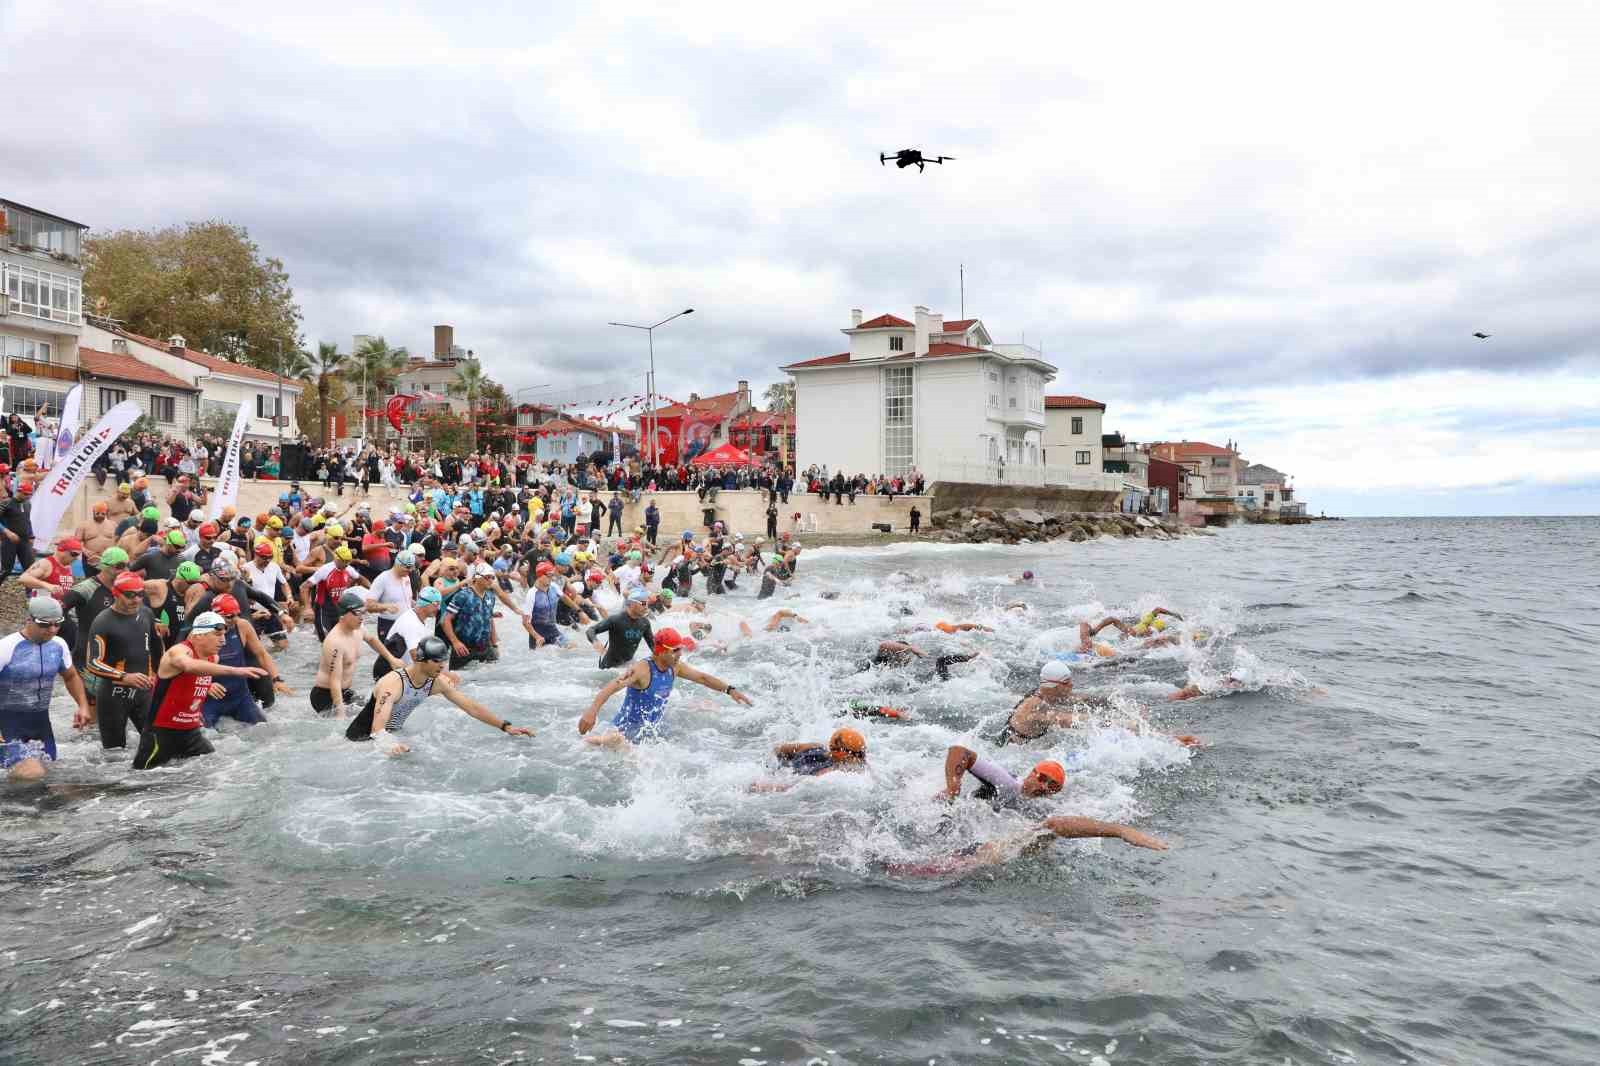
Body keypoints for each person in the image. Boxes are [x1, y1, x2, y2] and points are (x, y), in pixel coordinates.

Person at [344, 636, 536, 749]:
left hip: (390, 738)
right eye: (437, 661)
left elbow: (471, 707)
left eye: (444, 660)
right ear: (421, 660)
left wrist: (505, 726)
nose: (442, 665)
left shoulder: (435, 682)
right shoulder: (392, 684)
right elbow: (378, 730)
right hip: (359, 742)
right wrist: (390, 746)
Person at [132, 612, 268, 770]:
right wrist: (236, 671)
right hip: (161, 735)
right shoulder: (179, 651)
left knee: (219, 772)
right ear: (199, 635)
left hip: (191, 734)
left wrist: (207, 687)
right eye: (217, 634)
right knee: (141, 782)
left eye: (224, 635)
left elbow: (188, 679)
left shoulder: (213, 658)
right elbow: (188, 666)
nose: (223, 640)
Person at [577, 627, 752, 748]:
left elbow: (702, 678)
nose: (679, 654)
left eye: (680, 649)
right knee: (624, 747)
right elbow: (611, 687)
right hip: (624, 732)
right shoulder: (641, 669)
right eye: (675, 650)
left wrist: (730, 690)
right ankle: (594, 741)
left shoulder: (675, 667)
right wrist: (592, 711)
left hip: (651, 730)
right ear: (660, 650)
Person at [887, 816, 1169, 877]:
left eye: (1049, 783)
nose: (1042, 784)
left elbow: (1054, 826)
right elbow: (1054, 825)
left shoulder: (1026, 842)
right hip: (968, 859)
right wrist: (1120, 831)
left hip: (972, 859)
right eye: (1041, 776)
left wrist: (1120, 831)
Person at [0, 598, 90, 782]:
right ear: (29, 620)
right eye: (45, 625)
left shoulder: (58, 645)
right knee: (32, 773)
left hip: (40, 725)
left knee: (48, 777)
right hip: (7, 724)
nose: (52, 629)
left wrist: (83, 706)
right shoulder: (6, 647)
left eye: (57, 624)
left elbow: (71, 676)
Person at [84, 571, 162, 749]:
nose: (136, 600)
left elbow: (157, 649)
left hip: (144, 692)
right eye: (129, 595)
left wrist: (159, 676)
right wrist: (124, 676)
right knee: (114, 754)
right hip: (113, 696)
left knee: (158, 745)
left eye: (140, 594)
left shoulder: (146, 614)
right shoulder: (103, 621)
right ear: (115, 593)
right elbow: (93, 662)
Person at [200, 595, 290, 726]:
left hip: (240, 697)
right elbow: (189, 666)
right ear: (216, 616)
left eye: (238, 614)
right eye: (230, 616)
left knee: (266, 730)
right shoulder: (201, 632)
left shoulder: (242, 626)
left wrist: (276, 679)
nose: (235, 619)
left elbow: (262, 654)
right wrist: (205, 686)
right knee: (206, 737)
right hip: (212, 699)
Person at [310, 591, 402, 717]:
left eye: (363, 612)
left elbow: (372, 640)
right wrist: (340, 710)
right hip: (325, 695)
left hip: (345, 691)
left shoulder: (358, 630)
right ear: (343, 615)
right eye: (357, 613)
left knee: (377, 710)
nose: (361, 617)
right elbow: (334, 680)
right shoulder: (335, 642)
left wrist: (391, 659)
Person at [439, 563, 521, 670]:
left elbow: (489, 620)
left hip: (485, 648)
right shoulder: (463, 595)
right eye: (487, 577)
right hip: (464, 649)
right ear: (477, 577)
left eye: (492, 577)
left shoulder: (490, 596)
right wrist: (455, 642)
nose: (490, 580)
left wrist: (495, 644)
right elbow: (445, 620)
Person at [938, 744, 1068, 809]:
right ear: (1031, 774)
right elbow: (959, 751)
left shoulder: (1041, 809)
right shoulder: (1007, 783)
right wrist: (952, 786)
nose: (1044, 786)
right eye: (1043, 778)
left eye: (1052, 786)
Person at [750, 728, 868, 792]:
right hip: (788, 778)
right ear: (844, 754)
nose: (861, 757)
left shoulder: (813, 747)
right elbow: (792, 786)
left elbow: (777, 750)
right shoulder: (830, 773)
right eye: (859, 754)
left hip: (785, 769)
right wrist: (762, 786)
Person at [374, 586, 445, 681]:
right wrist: (440, 675)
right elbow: (416, 656)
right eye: (436, 604)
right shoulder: (411, 623)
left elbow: (428, 652)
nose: (439, 608)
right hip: (388, 673)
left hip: (403, 672)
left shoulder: (426, 620)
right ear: (424, 603)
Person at [585, 588, 656, 669]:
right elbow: (590, 630)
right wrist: (595, 642)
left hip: (628, 664)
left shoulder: (645, 623)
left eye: (647, 603)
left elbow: (653, 646)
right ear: (631, 604)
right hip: (609, 667)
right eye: (643, 603)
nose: (646, 607)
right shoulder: (616, 619)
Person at [0, 478, 37, 591]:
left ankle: (30, 594)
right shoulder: (6, 503)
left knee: (30, 568)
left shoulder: (27, 504)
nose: (28, 497)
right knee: (7, 569)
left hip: (24, 540)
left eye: (30, 495)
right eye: (25, 494)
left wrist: (31, 535)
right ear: (19, 491)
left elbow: (27, 520)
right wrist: (7, 532)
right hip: (9, 540)